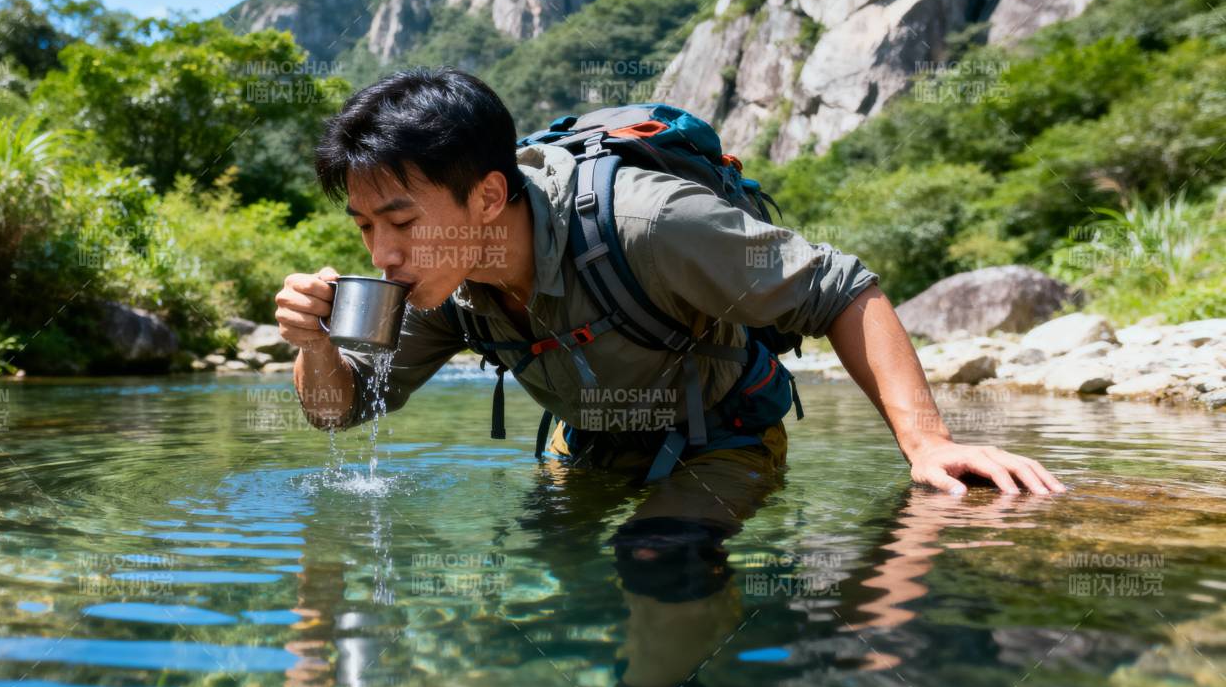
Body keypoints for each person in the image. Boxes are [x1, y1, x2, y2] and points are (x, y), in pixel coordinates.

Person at [276, 67, 1065, 500]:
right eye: (364, 226)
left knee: (664, 563)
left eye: (401, 222)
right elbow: (339, 414)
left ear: (486, 196)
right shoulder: (439, 286)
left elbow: (842, 287)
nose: (381, 253)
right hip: (588, 442)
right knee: (544, 588)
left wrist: (927, 445)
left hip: (718, 433)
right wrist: (313, 346)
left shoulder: (650, 224)